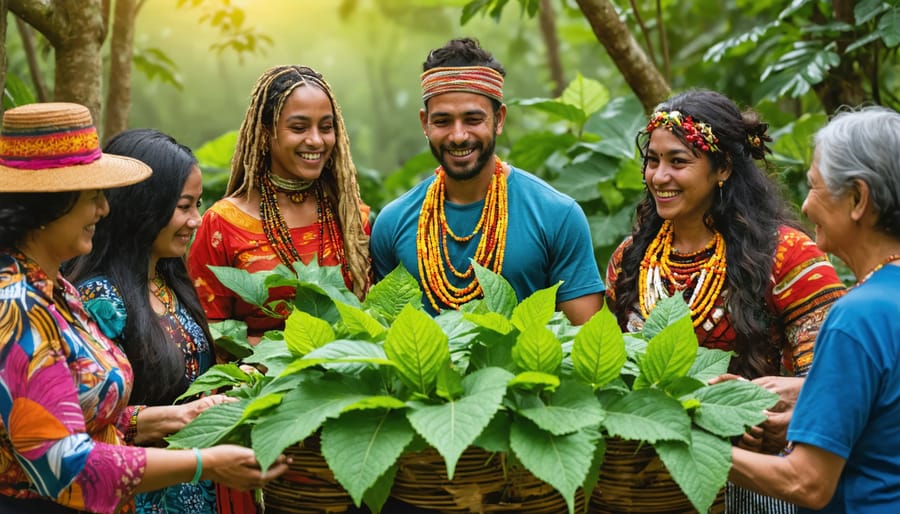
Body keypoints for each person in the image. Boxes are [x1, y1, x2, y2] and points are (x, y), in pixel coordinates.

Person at [0, 102, 288, 514]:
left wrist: (180, 416)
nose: (103, 209)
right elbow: (64, 464)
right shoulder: (17, 307)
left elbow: (86, 419)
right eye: (93, 196)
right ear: (53, 203)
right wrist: (203, 463)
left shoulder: (54, 289)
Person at [604, 90, 847, 512]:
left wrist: (761, 413)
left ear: (723, 168)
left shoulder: (788, 256)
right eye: (653, 160)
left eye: (678, 162)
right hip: (647, 477)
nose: (659, 176)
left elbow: (833, 387)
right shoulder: (630, 260)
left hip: (758, 479)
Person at [729, 106, 900, 513]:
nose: (805, 207)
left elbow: (807, 483)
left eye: (815, 187)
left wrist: (691, 439)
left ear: (858, 198)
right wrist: (806, 391)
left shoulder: (857, 317)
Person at [370, 37, 604, 324]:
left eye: (472, 119)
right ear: (425, 124)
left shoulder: (557, 215)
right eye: (443, 121)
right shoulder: (393, 222)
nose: (458, 136)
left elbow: (585, 342)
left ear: (499, 119)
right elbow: (383, 332)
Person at [65, 129, 219, 513]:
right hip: (137, 492)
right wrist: (162, 419)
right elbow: (87, 415)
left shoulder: (170, 278)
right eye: (184, 206)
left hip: (194, 485)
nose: (196, 220)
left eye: (198, 204)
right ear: (143, 207)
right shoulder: (100, 298)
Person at [188, 65, 371, 344]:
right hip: (256, 383)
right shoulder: (223, 225)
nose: (315, 140)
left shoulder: (352, 218)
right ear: (265, 133)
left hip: (346, 380)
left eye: (326, 127)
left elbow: (372, 315)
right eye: (299, 128)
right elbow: (209, 332)